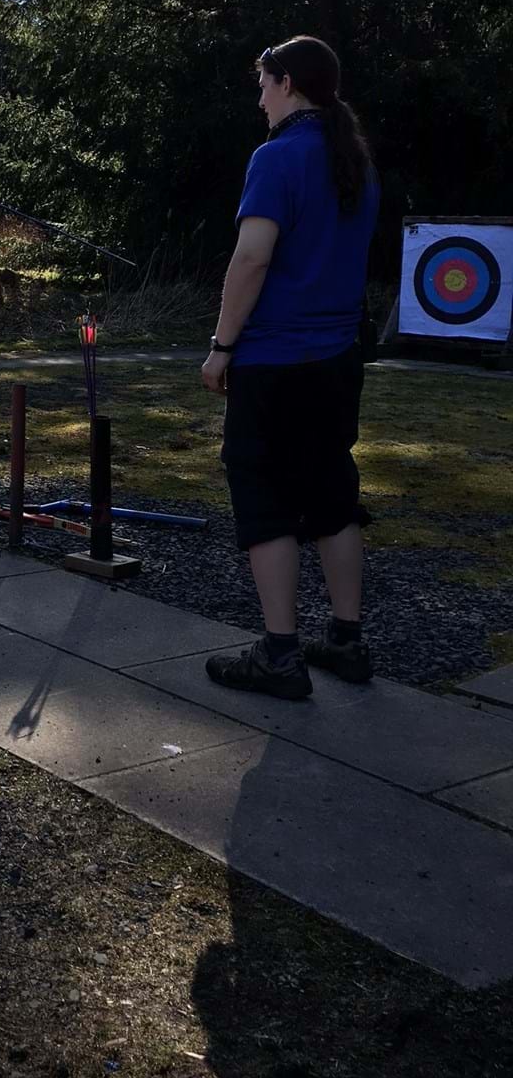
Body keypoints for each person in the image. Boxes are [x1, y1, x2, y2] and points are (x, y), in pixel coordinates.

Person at [201, 35, 380, 699]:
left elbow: (251, 259)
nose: (260, 98)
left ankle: (280, 655)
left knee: (265, 499)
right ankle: (345, 641)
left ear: (288, 86)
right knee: (334, 496)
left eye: (263, 83)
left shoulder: (277, 158)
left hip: (276, 363)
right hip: (337, 362)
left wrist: (221, 347)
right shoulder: (353, 160)